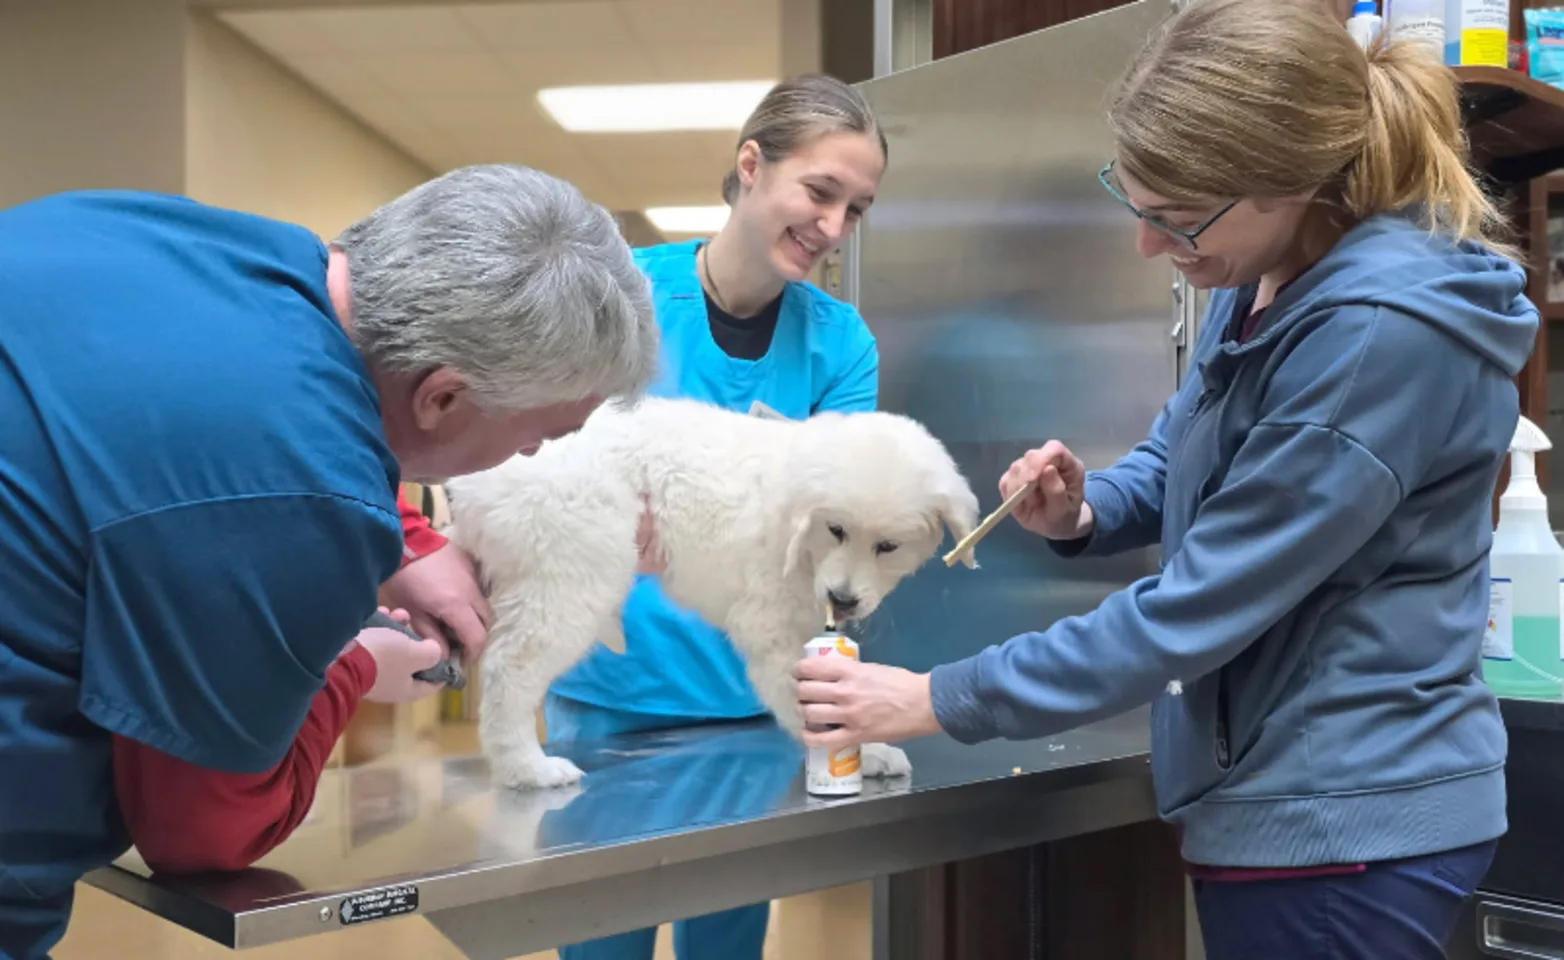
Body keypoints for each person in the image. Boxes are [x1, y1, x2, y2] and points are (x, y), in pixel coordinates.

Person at [794, 3, 1538, 957]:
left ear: (1294, 182)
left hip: (1342, 821)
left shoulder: (1375, 339)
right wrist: (1088, 509)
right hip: (1277, 793)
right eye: (1136, 206)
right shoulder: (1264, 274)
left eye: (1178, 221)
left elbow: (1202, 604)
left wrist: (939, 697)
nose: (1151, 248)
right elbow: (1183, 451)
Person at [0, 163, 658, 960]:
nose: (530, 454)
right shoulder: (300, 498)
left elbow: (178, 428)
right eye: (541, 435)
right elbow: (203, 832)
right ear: (443, 398)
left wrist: (403, 537)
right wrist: (356, 666)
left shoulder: (183, 235)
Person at [511, 74, 882, 960]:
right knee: (602, 940)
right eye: (819, 191)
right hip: (612, 694)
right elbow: (531, 454)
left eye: (856, 209)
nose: (833, 226)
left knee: (727, 942)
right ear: (751, 165)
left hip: (752, 697)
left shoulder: (840, 343)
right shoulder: (621, 297)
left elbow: (842, 527)